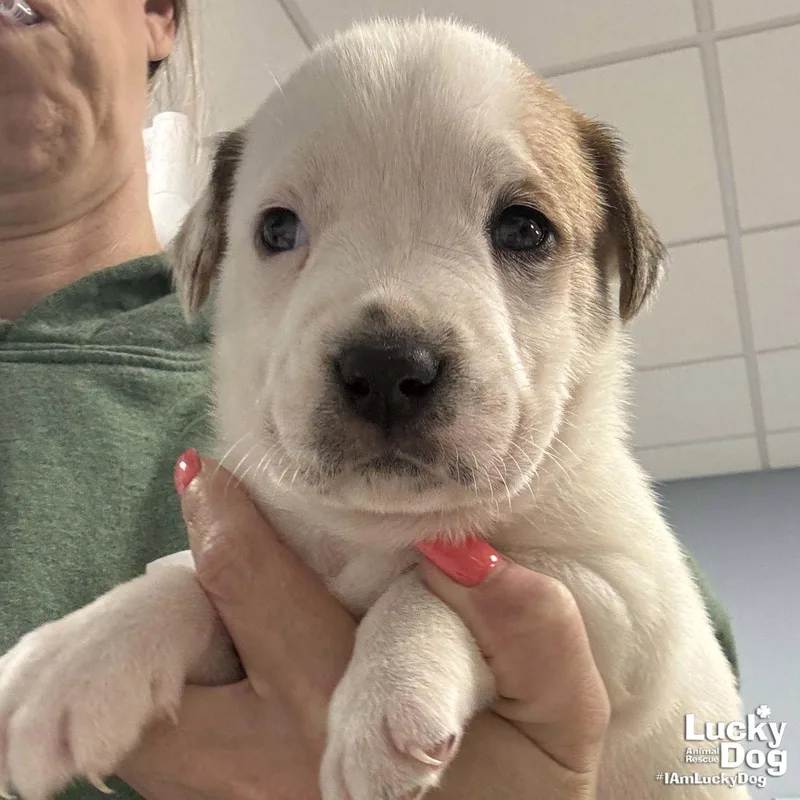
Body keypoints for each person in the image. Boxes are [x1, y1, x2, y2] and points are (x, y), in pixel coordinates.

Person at [0, 2, 736, 799]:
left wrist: (431, 627)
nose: (392, 356)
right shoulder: (248, 447)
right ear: (208, 266)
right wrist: (160, 616)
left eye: (522, 229)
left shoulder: (591, 508)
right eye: (283, 232)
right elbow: (259, 612)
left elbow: (641, 649)